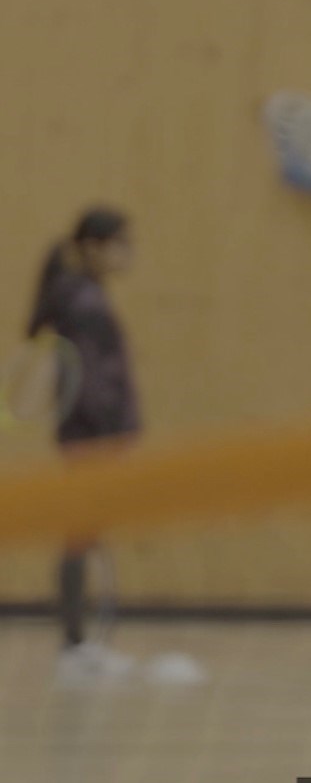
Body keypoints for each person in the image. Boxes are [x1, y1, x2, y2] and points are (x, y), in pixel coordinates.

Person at [23, 206, 140, 680]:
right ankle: (75, 645)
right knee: (79, 533)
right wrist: (111, 435)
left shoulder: (79, 295)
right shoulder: (84, 302)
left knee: (83, 533)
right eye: (120, 243)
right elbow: (93, 379)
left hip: (86, 435)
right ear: (92, 246)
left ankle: (77, 643)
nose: (128, 253)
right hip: (90, 438)